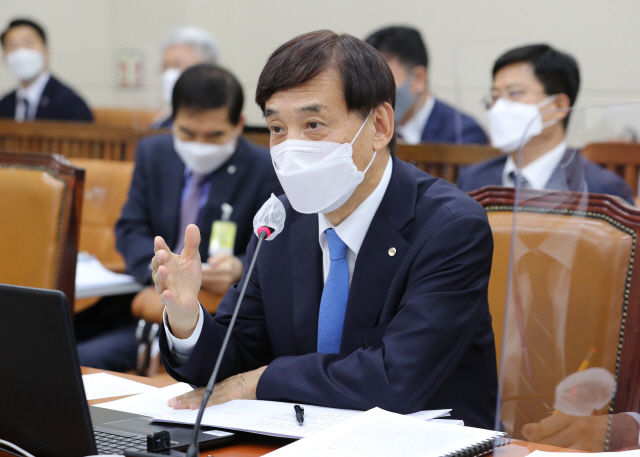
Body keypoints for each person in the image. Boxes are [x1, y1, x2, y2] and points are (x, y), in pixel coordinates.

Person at [153, 30, 498, 429]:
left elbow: (396, 380)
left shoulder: (450, 228)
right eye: (278, 129)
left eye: (313, 124)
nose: (291, 147)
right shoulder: (279, 221)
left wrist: (263, 380)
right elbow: (235, 361)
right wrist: (186, 318)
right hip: (299, 436)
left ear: (381, 126)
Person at [75, 64, 282, 372]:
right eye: (187, 132)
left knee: (83, 359)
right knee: (46, 346)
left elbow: (275, 246)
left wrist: (239, 265)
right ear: (173, 120)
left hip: (215, 313)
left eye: (214, 135)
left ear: (239, 124)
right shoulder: (153, 153)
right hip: (144, 298)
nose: (199, 145)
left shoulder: (265, 168)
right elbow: (130, 227)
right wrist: (159, 268)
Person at [456, 44, 634, 205]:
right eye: (495, 97)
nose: (499, 107)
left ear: (559, 106)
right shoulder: (473, 179)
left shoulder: (602, 188)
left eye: (514, 93)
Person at [364, 25, 487, 145]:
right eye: (367, 81)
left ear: (419, 79)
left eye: (382, 80)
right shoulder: (364, 130)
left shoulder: (463, 135)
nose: (373, 91)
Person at [0, 18, 93, 122]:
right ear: (5, 58)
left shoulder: (70, 104)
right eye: (12, 46)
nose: (21, 53)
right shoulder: (4, 105)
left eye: (28, 44)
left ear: (46, 52)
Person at [151, 26, 219, 129]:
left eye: (178, 65)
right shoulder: (161, 124)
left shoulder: (220, 122)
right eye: (165, 66)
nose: (169, 75)